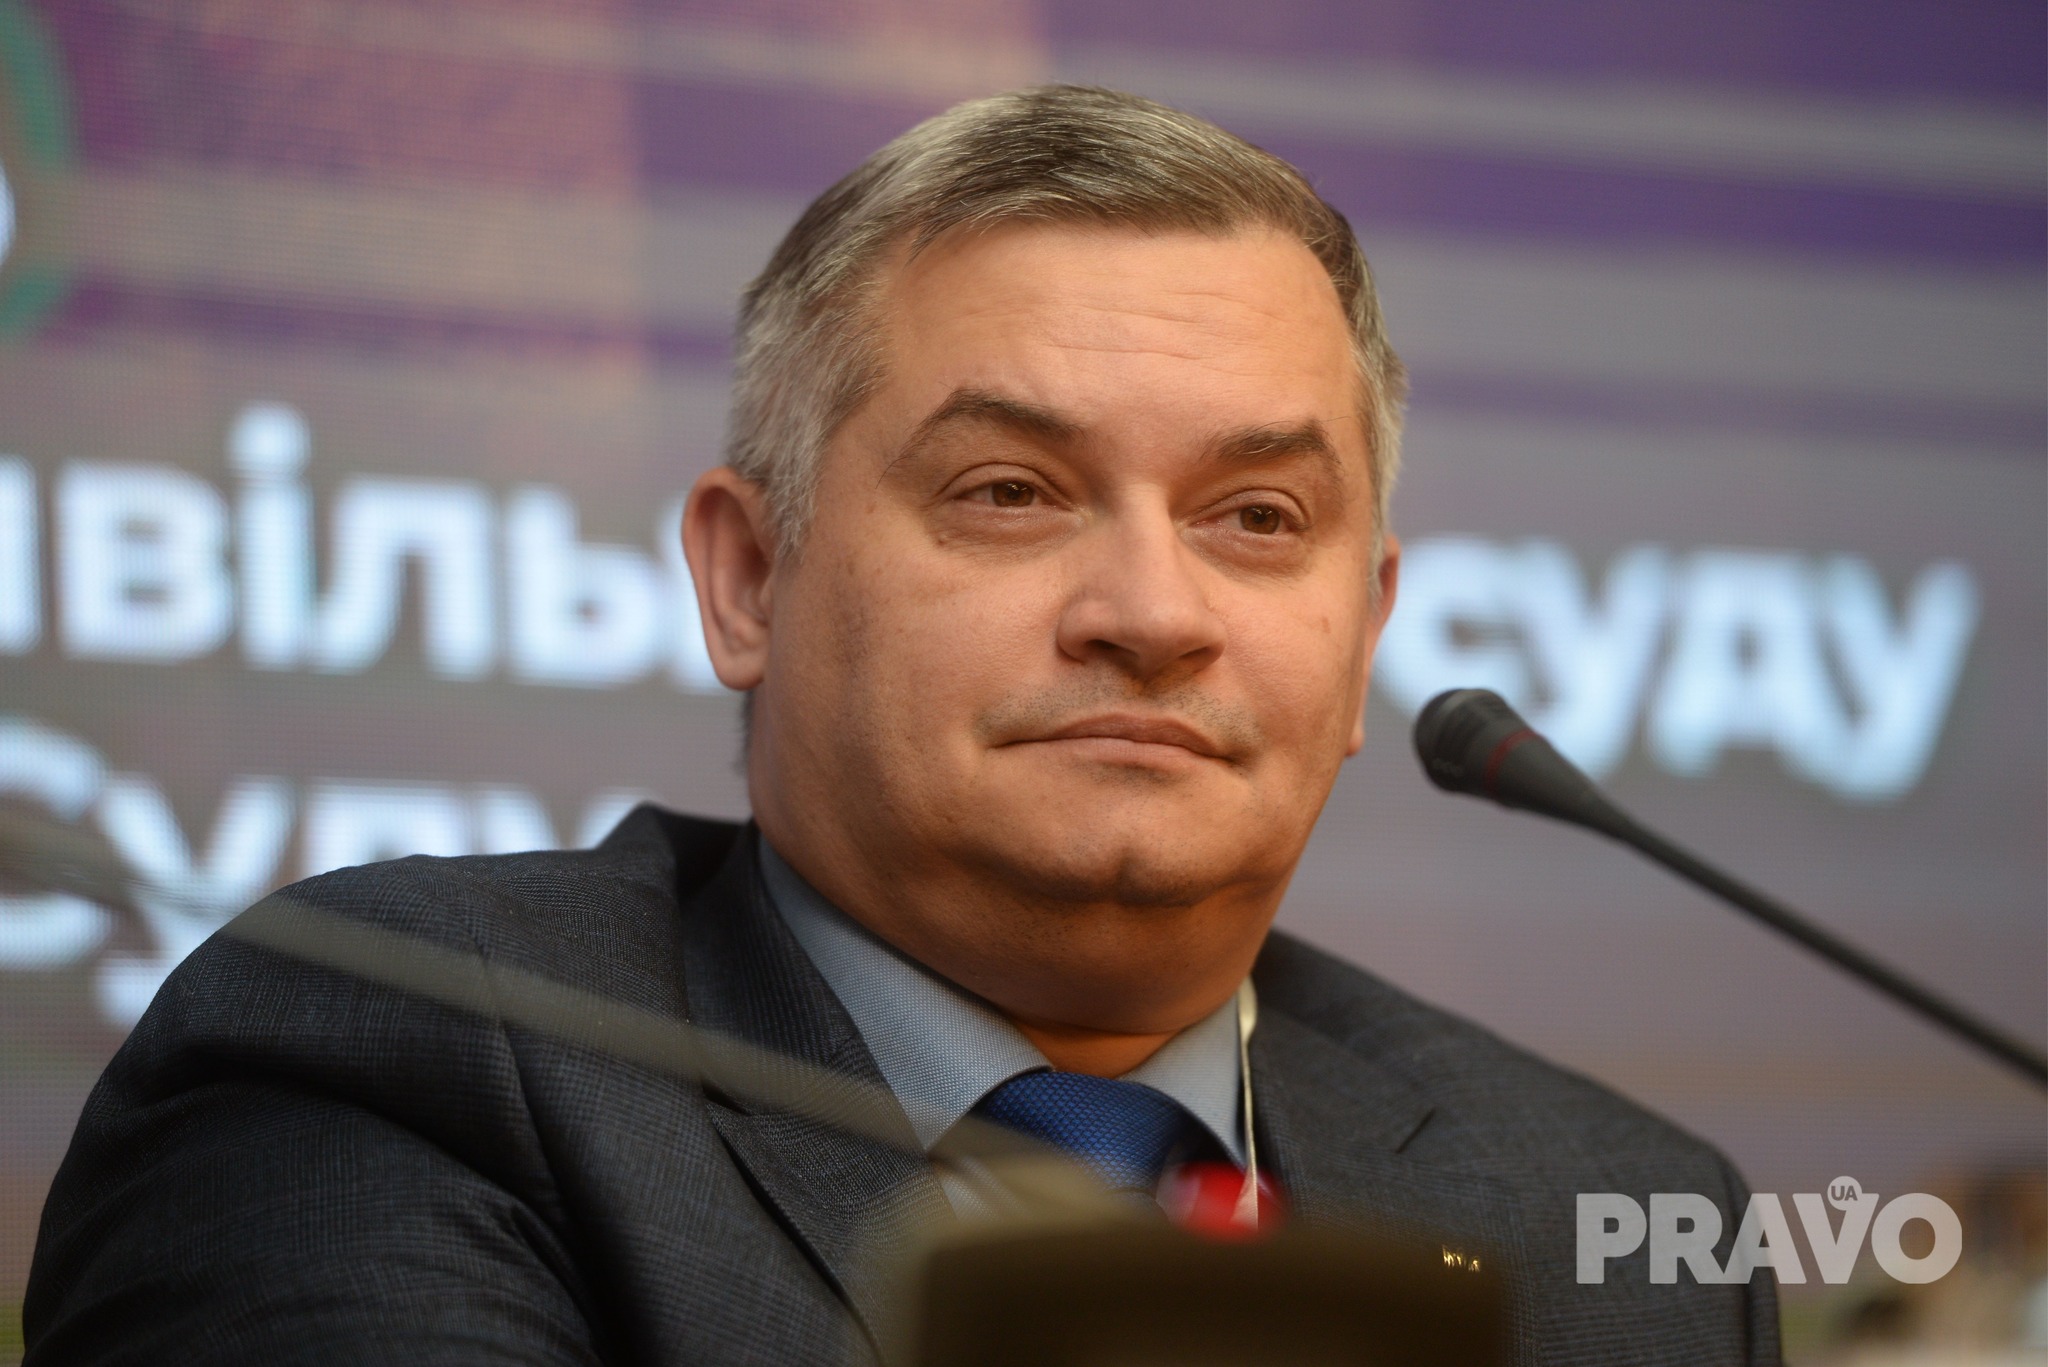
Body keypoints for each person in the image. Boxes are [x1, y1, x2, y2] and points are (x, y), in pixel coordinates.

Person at [24, 86, 1777, 1365]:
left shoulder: (1614, 1218)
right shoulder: (404, 1056)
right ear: (748, 578)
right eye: (1010, 491)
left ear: (1368, 630)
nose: (1154, 612)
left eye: (1256, 518)